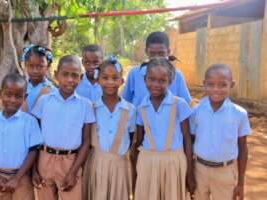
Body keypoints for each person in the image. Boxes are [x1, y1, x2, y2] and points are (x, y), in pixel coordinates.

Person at [31, 55, 95, 200]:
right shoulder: (44, 101)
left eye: (75, 75)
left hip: (71, 162)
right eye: (65, 74)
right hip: (44, 160)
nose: (70, 80)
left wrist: (74, 172)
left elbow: (86, 141)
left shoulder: (85, 105)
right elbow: (34, 137)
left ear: (81, 77)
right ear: (56, 75)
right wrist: (34, 169)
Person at [133, 57, 195, 200]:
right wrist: (136, 171)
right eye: (151, 79)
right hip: (148, 162)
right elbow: (139, 141)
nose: (156, 84)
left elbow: (187, 139)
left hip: (174, 162)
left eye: (162, 81)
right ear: (145, 80)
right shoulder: (141, 107)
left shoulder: (180, 105)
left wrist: (189, 172)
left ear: (170, 82)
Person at [190, 64, 251, 200]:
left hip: (225, 173)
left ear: (232, 84)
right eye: (211, 84)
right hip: (199, 170)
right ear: (204, 84)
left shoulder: (239, 114)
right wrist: (189, 174)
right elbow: (190, 141)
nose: (216, 89)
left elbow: (243, 149)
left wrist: (241, 183)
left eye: (223, 85)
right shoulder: (196, 111)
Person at [0, 73, 43, 200]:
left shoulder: (30, 122)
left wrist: (17, 178)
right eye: (8, 95)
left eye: (18, 96)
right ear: (0, 93)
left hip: (22, 177)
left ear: (25, 97)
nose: (12, 100)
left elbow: (33, 152)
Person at [83, 56, 136, 200]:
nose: (110, 82)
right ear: (98, 79)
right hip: (97, 165)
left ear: (121, 81)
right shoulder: (91, 108)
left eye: (115, 78)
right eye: (105, 78)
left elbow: (131, 138)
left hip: (120, 166)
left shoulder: (131, 110)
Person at [122, 31, 191, 106]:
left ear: (168, 52)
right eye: (152, 53)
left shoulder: (177, 75)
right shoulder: (134, 73)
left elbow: (186, 103)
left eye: (161, 53)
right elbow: (126, 101)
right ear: (146, 52)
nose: (156, 58)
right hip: (140, 117)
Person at [20, 44, 55, 112]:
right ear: (25, 65)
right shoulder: (21, 86)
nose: (35, 71)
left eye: (40, 66)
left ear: (48, 66)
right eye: (31, 66)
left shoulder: (51, 90)